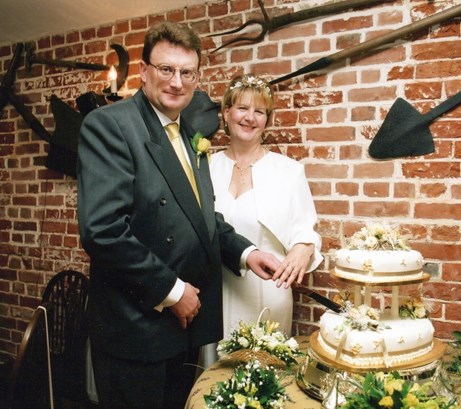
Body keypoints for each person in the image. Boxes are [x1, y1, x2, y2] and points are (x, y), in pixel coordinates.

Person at [77, 23, 296, 409]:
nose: (177, 82)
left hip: (182, 328)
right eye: (166, 70)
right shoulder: (111, 126)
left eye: (187, 73)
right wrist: (174, 291)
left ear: (197, 77)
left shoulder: (188, 132)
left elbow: (201, 217)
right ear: (144, 71)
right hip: (137, 329)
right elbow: (103, 230)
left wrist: (245, 253)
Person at [210, 73, 323, 339]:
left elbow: (305, 231)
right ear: (226, 113)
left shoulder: (288, 171)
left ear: (266, 121)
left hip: (268, 292)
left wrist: (303, 248)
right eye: (242, 108)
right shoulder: (206, 167)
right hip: (215, 292)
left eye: (259, 111)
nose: (250, 117)